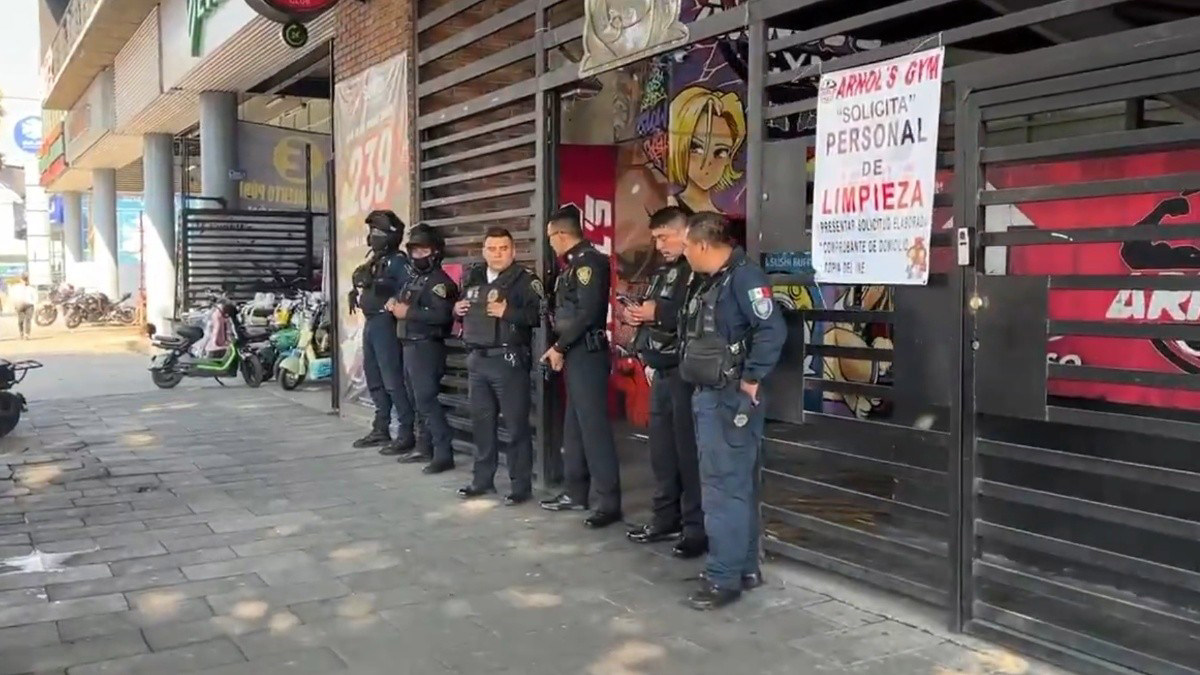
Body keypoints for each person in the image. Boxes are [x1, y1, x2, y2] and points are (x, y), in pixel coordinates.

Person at [679, 211, 785, 610]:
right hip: (715, 394)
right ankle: (743, 568)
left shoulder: (744, 278)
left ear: (704, 245)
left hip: (728, 397)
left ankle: (722, 578)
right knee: (735, 486)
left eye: (687, 246)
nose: (684, 253)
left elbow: (772, 329)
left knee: (723, 489)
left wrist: (752, 378)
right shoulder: (716, 279)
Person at [623, 207, 706, 558]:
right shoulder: (664, 271)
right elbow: (655, 309)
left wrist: (657, 312)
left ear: (685, 232)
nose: (659, 246)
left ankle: (695, 529)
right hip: (660, 370)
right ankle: (665, 518)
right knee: (662, 453)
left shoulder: (699, 269)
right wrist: (638, 315)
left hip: (686, 373)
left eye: (663, 237)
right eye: (655, 239)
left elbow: (696, 314)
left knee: (689, 455)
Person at [539, 205, 623, 529]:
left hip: (587, 353)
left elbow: (587, 313)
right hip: (574, 352)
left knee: (593, 429)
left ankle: (609, 502)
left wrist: (559, 347)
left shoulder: (589, 263)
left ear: (561, 235)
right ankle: (575, 492)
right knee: (574, 426)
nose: (550, 244)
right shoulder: (571, 266)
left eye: (551, 237)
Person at [454, 227, 543, 505]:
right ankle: (482, 481)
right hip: (478, 359)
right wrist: (456, 310)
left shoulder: (525, 280)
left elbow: (539, 315)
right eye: (492, 249)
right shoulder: (473, 277)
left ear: (513, 251)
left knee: (516, 426)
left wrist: (509, 312)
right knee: (482, 424)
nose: (497, 254)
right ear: (484, 251)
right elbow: (461, 309)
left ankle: (520, 486)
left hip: (508, 361)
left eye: (503, 248)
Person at [347, 211, 424, 454]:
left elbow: (413, 286)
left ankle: (406, 432)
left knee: (392, 380)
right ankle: (381, 427)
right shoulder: (376, 259)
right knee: (374, 378)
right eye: (372, 232)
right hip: (371, 323)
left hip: (386, 324)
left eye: (379, 232)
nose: (373, 236)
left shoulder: (399, 261)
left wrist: (394, 295)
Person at [389, 223, 458, 474]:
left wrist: (409, 313)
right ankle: (423, 446)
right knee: (417, 400)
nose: (418, 256)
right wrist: (394, 303)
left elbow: (442, 316)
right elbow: (404, 302)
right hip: (410, 345)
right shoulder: (415, 279)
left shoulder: (440, 282)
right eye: (415, 251)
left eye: (423, 251)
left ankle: (443, 452)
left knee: (427, 400)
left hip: (427, 347)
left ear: (435, 252)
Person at [11, 276, 37, 340]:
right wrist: (15, 305)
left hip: (29, 305)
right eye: (23, 280)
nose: (24, 282)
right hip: (20, 305)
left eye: (25, 280)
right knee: (20, 321)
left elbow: (35, 297)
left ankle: (27, 334)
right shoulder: (17, 289)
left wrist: (34, 303)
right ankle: (21, 332)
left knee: (28, 319)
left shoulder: (31, 289)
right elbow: (14, 297)